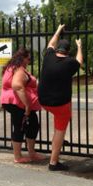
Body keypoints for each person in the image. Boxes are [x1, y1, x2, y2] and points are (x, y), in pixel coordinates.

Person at [38, 24, 83, 171]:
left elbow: (51, 43)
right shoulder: (69, 63)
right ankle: (53, 162)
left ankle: (57, 144)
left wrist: (58, 30)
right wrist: (80, 46)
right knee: (59, 130)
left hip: (43, 100)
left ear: (57, 49)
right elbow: (79, 61)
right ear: (68, 52)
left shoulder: (48, 56)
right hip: (60, 104)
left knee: (58, 124)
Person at [0, 48, 45, 163]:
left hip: (14, 102)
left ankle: (31, 153)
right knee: (20, 126)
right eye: (28, 58)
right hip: (17, 103)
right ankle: (18, 156)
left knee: (32, 124)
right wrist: (28, 105)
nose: (29, 61)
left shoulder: (12, 68)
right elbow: (17, 86)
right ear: (22, 58)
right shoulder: (19, 69)